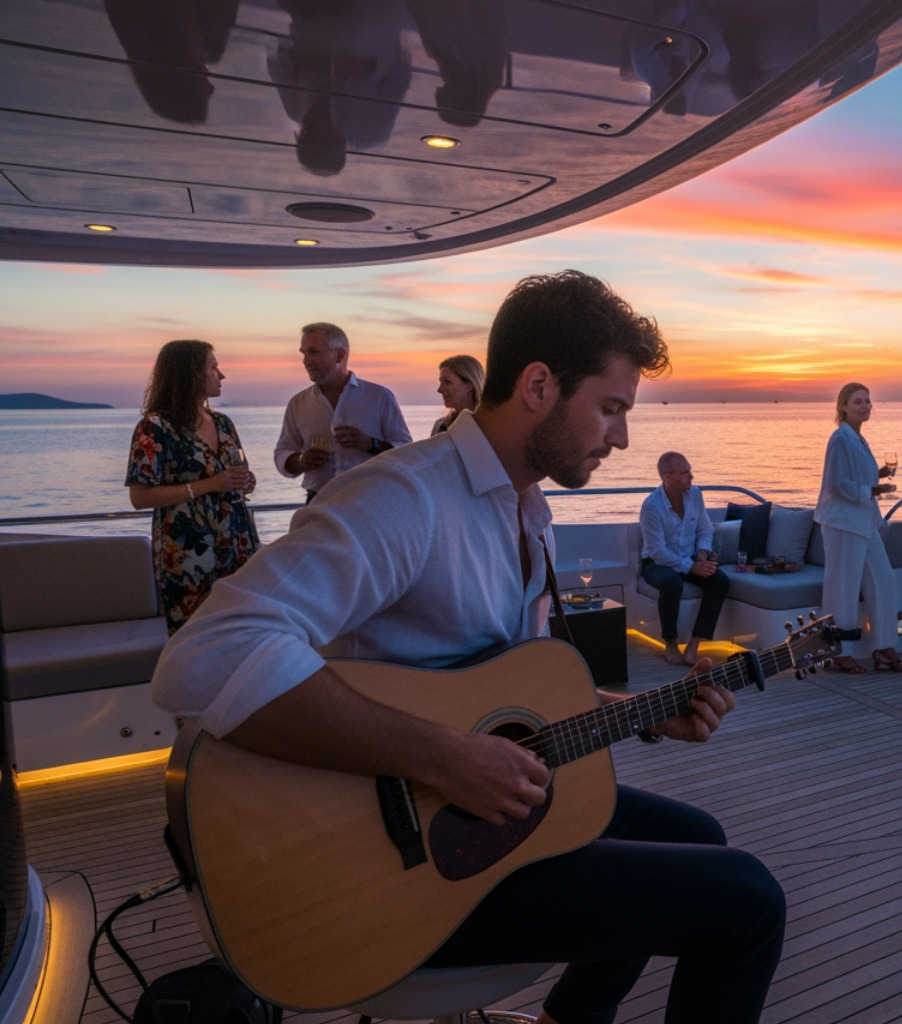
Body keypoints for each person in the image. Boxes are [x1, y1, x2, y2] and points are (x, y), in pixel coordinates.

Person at [152, 270, 785, 1024]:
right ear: (539, 385)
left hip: (479, 822)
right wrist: (445, 759)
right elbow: (206, 655)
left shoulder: (530, 510)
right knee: (747, 902)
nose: (621, 437)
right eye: (611, 409)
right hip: (395, 871)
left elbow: (501, 697)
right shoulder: (406, 497)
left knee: (701, 838)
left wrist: (643, 710)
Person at [126, 340, 259, 634]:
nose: (221, 375)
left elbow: (240, 476)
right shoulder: (156, 427)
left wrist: (248, 482)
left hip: (237, 542)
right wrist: (209, 485)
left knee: (243, 627)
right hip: (187, 551)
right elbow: (140, 496)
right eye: (213, 367)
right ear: (190, 373)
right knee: (195, 635)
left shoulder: (223, 423)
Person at [813, 382, 902, 674]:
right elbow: (835, 483)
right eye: (858, 402)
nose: (865, 406)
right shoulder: (840, 438)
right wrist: (873, 490)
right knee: (843, 587)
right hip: (843, 523)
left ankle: (883, 646)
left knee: (884, 580)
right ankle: (837, 651)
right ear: (843, 406)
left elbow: (854, 474)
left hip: (864, 523)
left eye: (868, 401)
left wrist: (878, 474)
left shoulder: (858, 438)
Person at [273, 321, 412, 501]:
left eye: (313, 352)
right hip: (318, 502)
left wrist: (371, 444)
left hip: (370, 500)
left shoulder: (379, 397)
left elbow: (407, 451)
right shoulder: (298, 403)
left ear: (340, 355)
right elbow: (282, 453)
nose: (306, 361)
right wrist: (301, 461)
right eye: (304, 353)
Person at [640, 452, 731, 666]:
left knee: (720, 580)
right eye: (685, 473)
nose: (692, 476)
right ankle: (670, 643)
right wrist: (691, 568)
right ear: (667, 477)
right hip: (656, 563)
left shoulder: (695, 495)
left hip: (690, 558)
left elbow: (705, 528)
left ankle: (694, 644)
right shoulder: (651, 507)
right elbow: (657, 552)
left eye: (689, 471)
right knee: (672, 582)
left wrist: (702, 552)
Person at [432, 353, 485, 435]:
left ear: (469, 386)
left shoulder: (490, 427)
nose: (440, 389)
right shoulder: (440, 426)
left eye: (447, 382)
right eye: (441, 382)